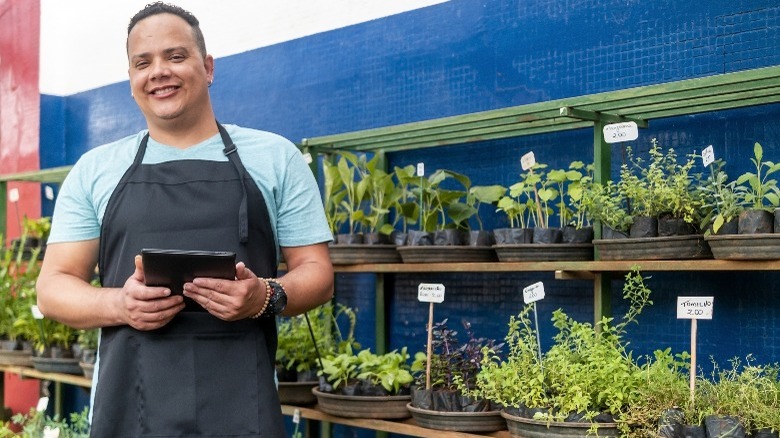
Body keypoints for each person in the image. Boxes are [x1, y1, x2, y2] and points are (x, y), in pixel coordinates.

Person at [35, 2, 334, 437]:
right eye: (144, 62)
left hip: (242, 408)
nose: (159, 72)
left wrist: (264, 296)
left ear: (208, 67)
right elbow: (53, 287)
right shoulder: (95, 169)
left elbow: (319, 274)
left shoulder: (275, 158)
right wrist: (120, 303)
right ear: (132, 80)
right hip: (129, 409)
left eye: (176, 56)